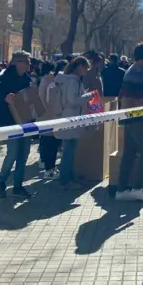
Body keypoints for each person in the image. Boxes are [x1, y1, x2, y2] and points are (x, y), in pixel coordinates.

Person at [115, 43, 143, 203]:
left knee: (129, 152)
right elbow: (140, 100)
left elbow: (122, 95)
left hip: (127, 116)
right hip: (136, 117)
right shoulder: (139, 73)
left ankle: (122, 189)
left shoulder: (130, 70)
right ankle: (138, 188)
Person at [0, 50, 33, 198]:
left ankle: (18, 186)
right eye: (26, 61)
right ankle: (1, 182)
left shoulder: (27, 78)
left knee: (24, 154)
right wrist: (5, 98)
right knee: (13, 152)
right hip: (10, 121)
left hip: (26, 120)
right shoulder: (5, 77)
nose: (29, 64)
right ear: (16, 62)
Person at [54, 57, 93, 190]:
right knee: (69, 151)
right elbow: (73, 101)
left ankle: (69, 177)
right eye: (85, 68)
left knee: (69, 150)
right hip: (71, 117)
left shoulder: (69, 80)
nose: (86, 71)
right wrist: (88, 96)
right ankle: (65, 180)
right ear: (79, 66)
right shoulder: (72, 81)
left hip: (69, 117)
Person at [37, 61, 61, 179]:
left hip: (47, 117)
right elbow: (51, 101)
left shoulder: (46, 80)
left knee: (49, 143)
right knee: (50, 144)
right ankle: (49, 169)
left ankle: (49, 166)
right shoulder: (51, 82)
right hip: (49, 117)